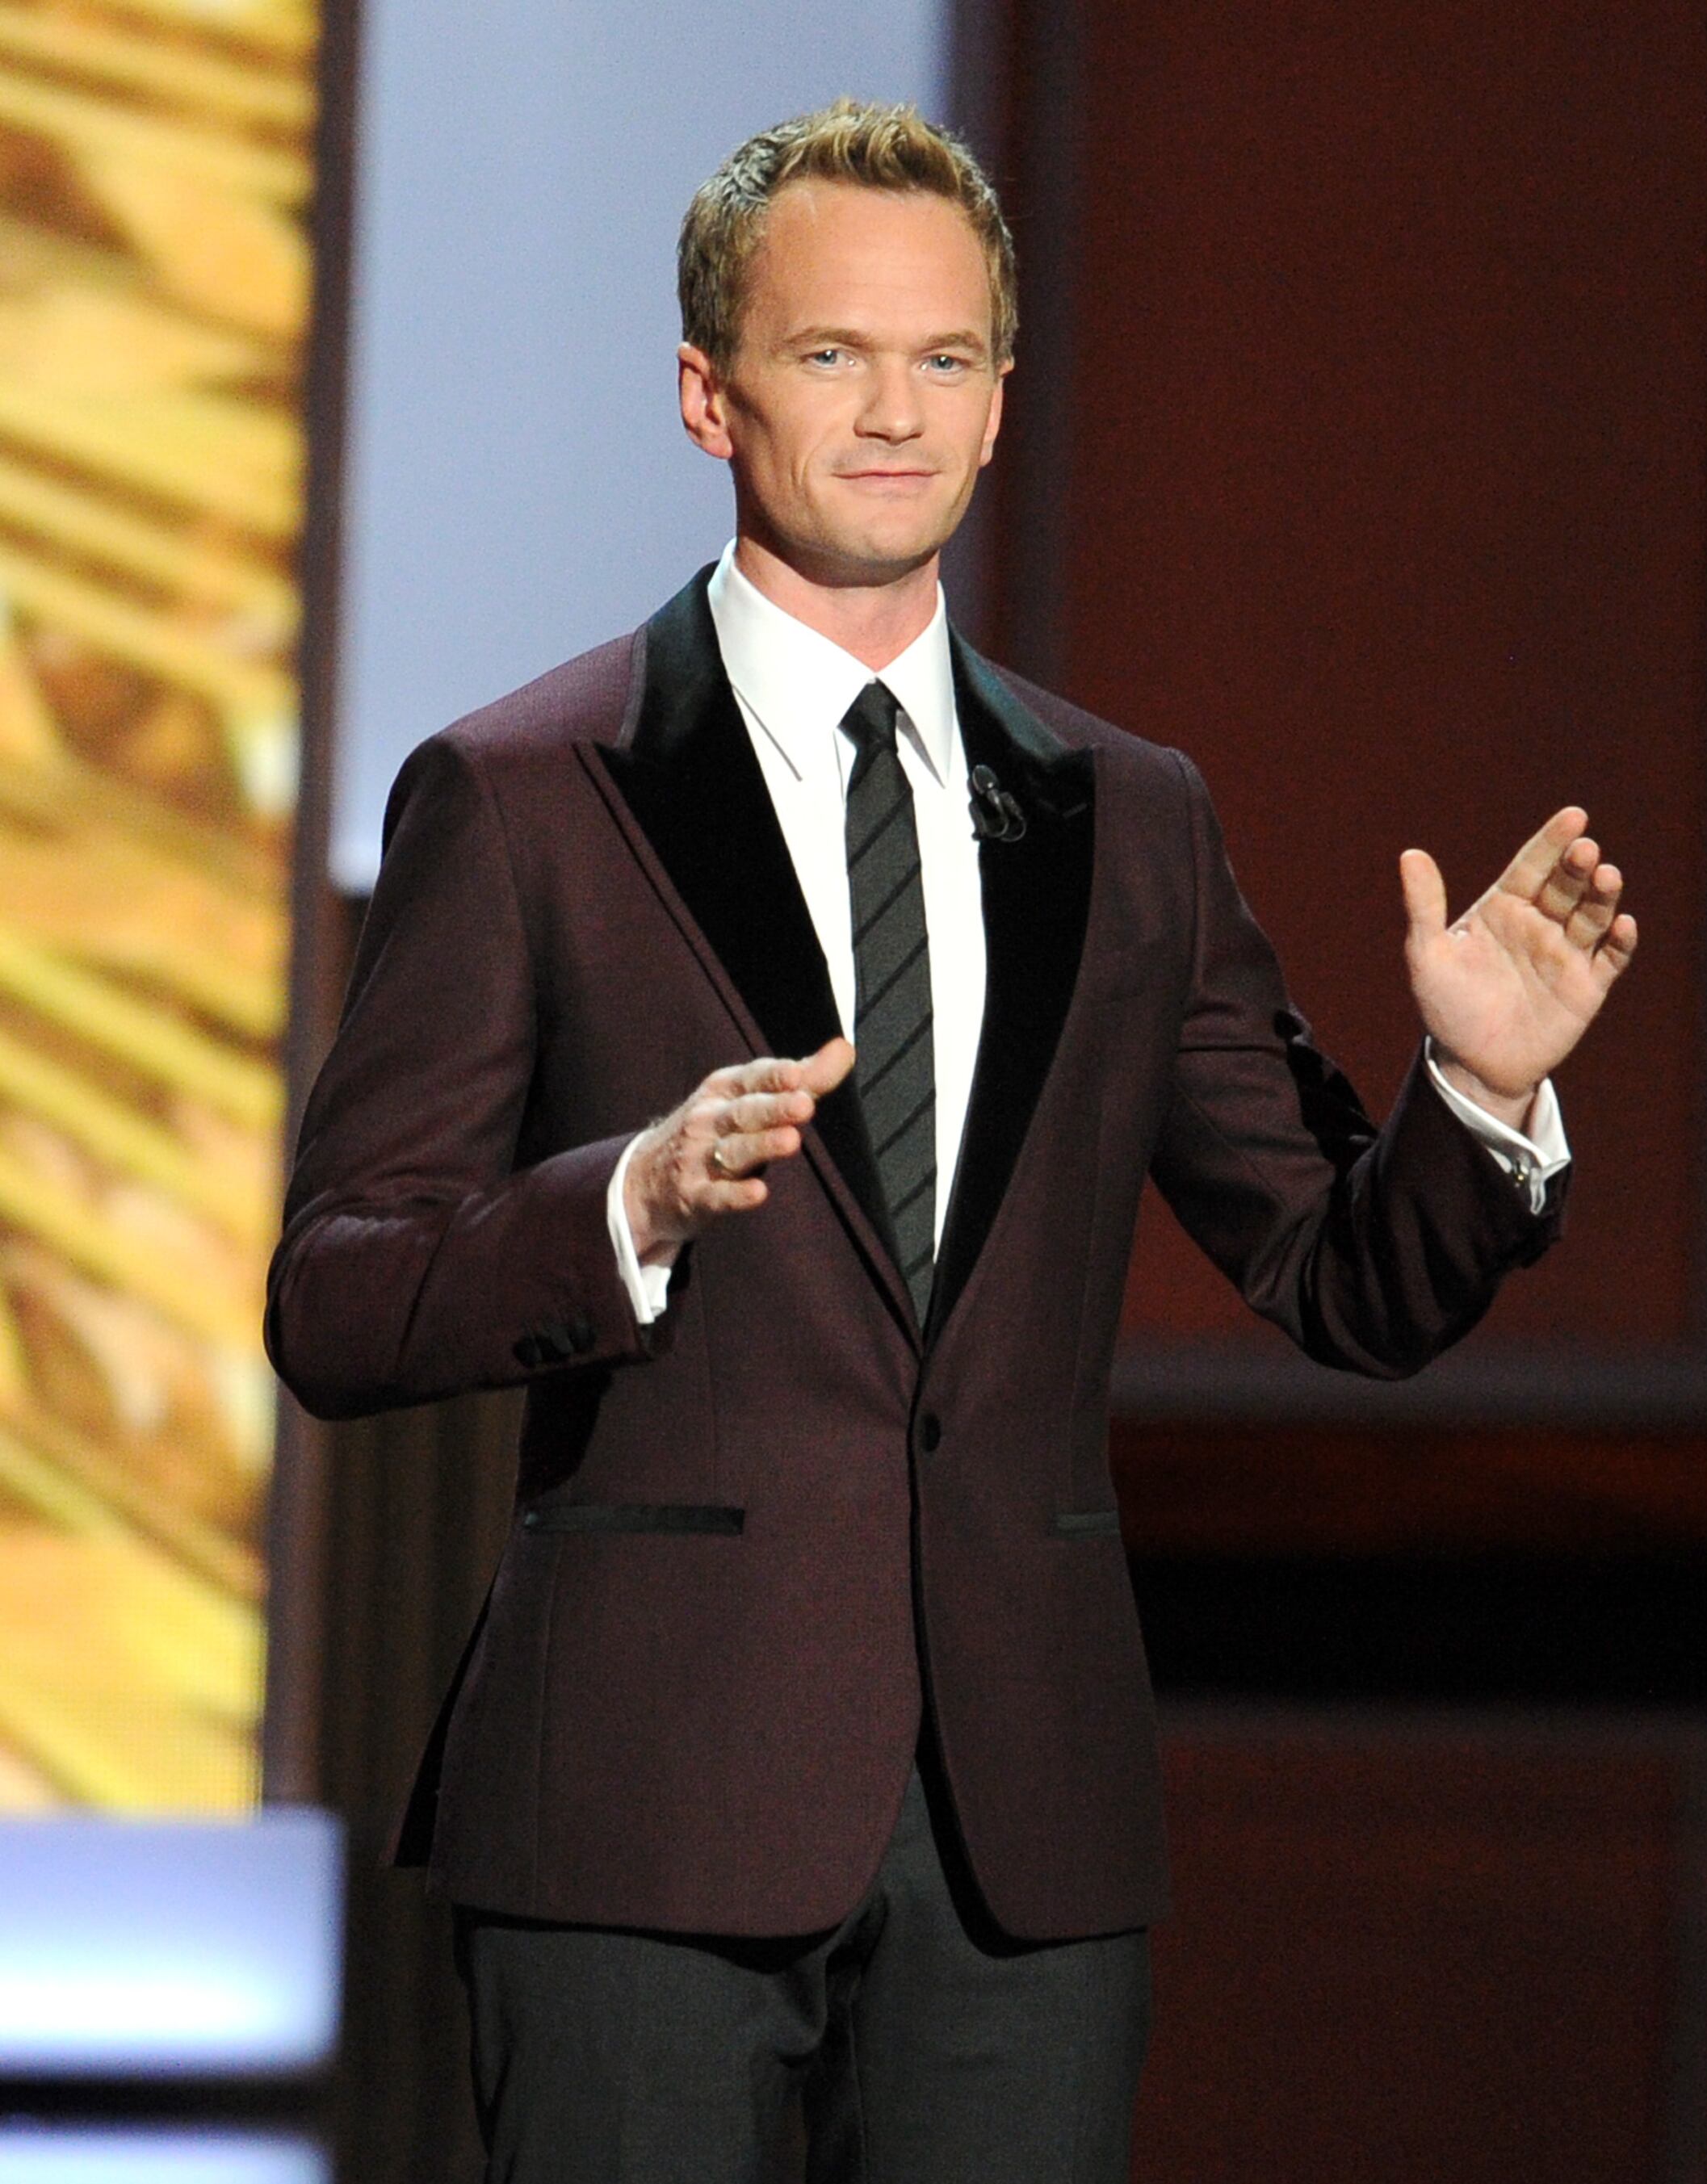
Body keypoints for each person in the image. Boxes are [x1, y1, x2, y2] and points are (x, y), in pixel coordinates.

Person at [266, 100, 1634, 2182]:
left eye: (947, 359)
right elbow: (338, 1299)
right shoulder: (529, 793)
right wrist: (622, 1203)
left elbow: (1347, 1284)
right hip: (641, 1810)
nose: (896, 411)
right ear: (710, 396)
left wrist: (1478, 1094)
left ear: (1001, 400)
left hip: (1026, 1835)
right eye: (833, 357)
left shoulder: (1131, 813)